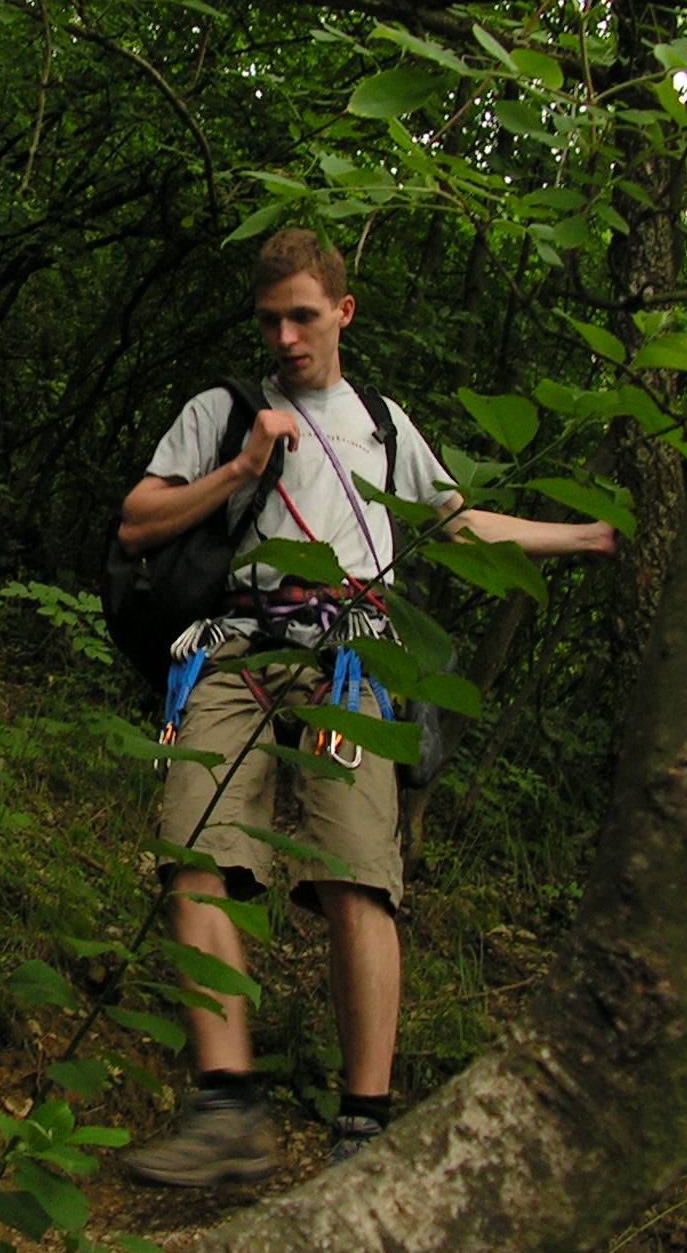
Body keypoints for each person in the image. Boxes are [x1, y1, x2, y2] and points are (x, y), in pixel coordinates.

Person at [119, 227, 616, 1188]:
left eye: (303, 317)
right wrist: (238, 471)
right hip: (239, 652)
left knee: (359, 875)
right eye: (270, 321)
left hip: (353, 661)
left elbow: (458, 518)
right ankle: (227, 1109)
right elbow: (138, 521)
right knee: (193, 854)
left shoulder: (382, 423)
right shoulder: (224, 412)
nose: (286, 339)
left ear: (342, 312)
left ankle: (366, 1128)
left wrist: (581, 535)